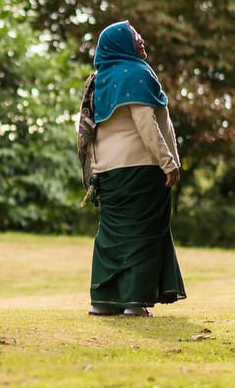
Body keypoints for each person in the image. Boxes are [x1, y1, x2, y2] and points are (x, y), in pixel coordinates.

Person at [76, 20, 186, 317]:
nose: (141, 39)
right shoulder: (136, 73)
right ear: (122, 43)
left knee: (112, 235)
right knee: (144, 233)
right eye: (136, 35)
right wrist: (169, 163)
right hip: (141, 168)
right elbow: (147, 124)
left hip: (108, 171)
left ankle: (102, 301)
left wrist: (94, 172)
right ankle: (134, 303)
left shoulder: (98, 80)